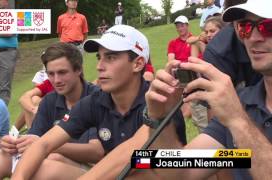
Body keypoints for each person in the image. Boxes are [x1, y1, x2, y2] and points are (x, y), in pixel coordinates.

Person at [84, 0, 272, 179]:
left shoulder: (235, 110)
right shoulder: (242, 101)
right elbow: (179, 173)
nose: (254, 38)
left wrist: (238, 120)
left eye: (267, 26)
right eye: (245, 27)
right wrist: (160, 120)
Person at [11, 25, 187, 180]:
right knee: (41, 165)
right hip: (113, 174)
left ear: (138, 63)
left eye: (110, 58)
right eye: (99, 58)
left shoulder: (159, 101)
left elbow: (141, 159)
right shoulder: (95, 101)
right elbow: (43, 143)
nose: (99, 66)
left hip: (154, 175)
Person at [0, 43, 104, 180]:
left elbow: (96, 152)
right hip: (55, 160)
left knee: (51, 160)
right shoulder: (50, 100)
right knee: (1, 156)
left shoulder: (96, 99)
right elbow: (33, 140)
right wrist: (15, 144)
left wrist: (45, 145)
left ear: (78, 70)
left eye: (62, 72)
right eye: (51, 74)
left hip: (96, 169)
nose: (56, 80)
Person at [167, 15, 194, 118]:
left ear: (187, 25)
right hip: (179, 71)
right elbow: (171, 61)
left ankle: (185, 109)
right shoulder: (173, 43)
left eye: (182, 26)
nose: (180, 28)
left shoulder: (194, 40)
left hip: (191, 70)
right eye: (178, 26)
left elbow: (196, 60)